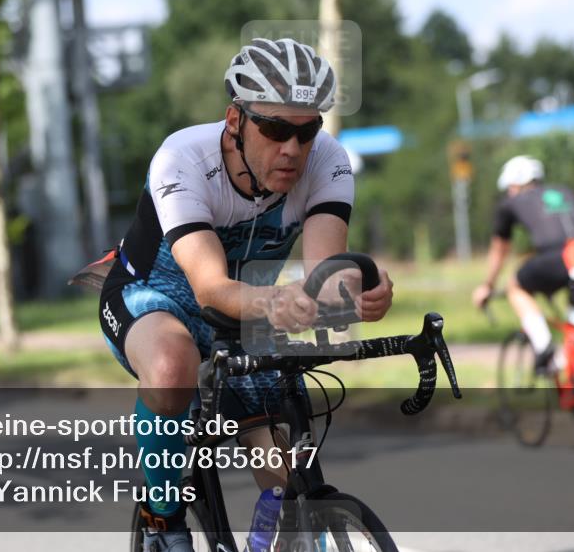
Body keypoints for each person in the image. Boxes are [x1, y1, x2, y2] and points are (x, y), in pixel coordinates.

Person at [98, 38, 394, 551]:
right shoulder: (182, 158)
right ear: (234, 120)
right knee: (172, 365)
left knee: (290, 469)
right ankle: (164, 525)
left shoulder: (328, 161)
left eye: (307, 132)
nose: (293, 150)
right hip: (154, 299)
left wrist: (359, 289)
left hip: (248, 309)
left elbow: (327, 272)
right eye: (276, 129)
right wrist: (280, 302)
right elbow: (210, 287)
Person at [471, 155, 574, 374]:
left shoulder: (511, 203)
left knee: (515, 286)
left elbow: (500, 250)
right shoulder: (564, 192)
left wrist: (487, 285)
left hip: (561, 256)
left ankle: (543, 344)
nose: (509, 192)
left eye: (509, 187)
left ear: (515, 183)